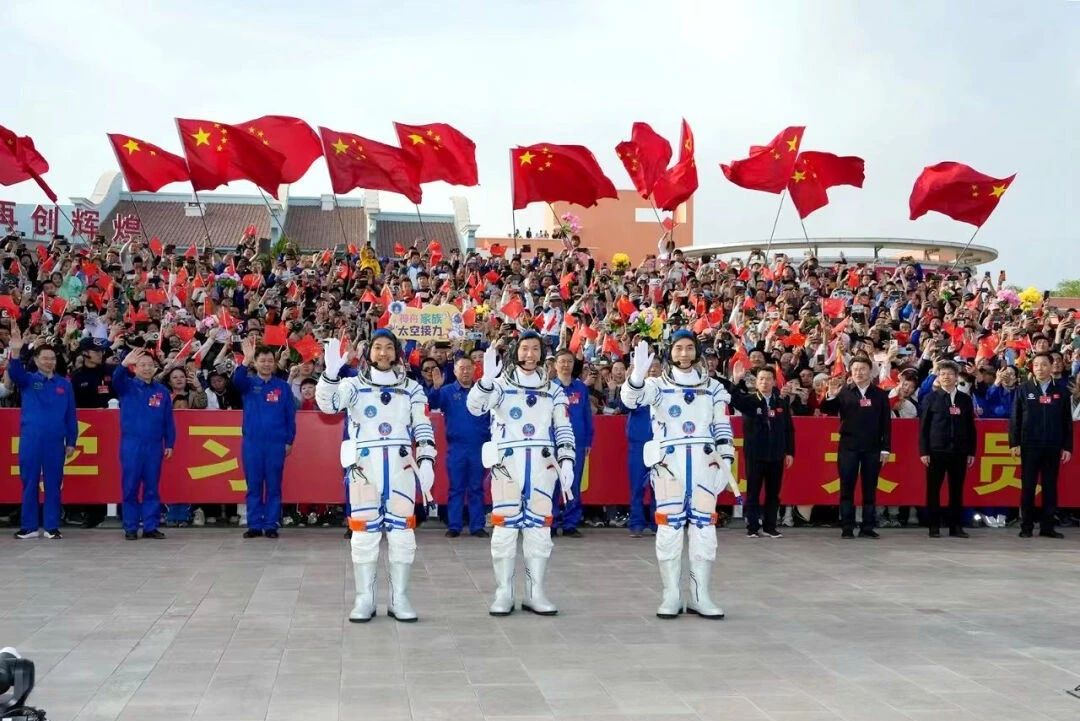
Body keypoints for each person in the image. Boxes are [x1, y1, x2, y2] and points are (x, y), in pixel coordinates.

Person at [317, 329, 436, 623]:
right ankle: (364, 599)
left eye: (389, 348)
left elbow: (422, 425)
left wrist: (427, 460)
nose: (383, 353)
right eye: (378, 347)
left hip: (401, 467)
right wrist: (330, 375)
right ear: (369, 352)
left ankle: (399, 598)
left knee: (402, 535)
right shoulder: (353, 385)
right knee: (363, 535)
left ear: (397, 353)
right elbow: (328, 405)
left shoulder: (412, 388)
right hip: (365, 468)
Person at [621, 331, 738, 619]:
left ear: (697, 351)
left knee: (704, 531)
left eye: (689, 348)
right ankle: (671, 594)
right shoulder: (657, 385)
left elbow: (722, 425)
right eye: (678, 348)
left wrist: (726, 460)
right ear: (669, 352)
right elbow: (631, 400)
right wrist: (636, 376)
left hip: (704, 464)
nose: (684, 354)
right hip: (669, 466)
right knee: (669, 531)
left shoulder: (713, 387)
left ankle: (700, 595)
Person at [467, 331, 576, 616]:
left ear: (542, 353)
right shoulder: (500, 385)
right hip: (508, 466)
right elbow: (475, 407)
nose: (530, 354)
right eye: (525, 348)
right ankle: (504, 592)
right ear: (516, 351)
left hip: (542, 465)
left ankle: (534, 592)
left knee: (539, 530)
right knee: (504, 530)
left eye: (535, 349)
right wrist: (486, 381)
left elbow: (564, 428)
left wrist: (567, 460)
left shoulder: (553, 390)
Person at [10, 327, 77, 540]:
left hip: (55, 441)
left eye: (52, 358)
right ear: (37, 360)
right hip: (31, 440)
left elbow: (70, 415)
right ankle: (29, 527)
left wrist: (71, 441)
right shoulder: (29, 380)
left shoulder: (64, 385)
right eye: (45, 358)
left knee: (53, 483)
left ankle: (51, 526)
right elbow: (15, 374)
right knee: (29, 482)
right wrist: (15, 352)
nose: (49, 362)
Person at [820, 356, 891, 539]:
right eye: (855, 369)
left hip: (873, 447)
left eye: (863, 369)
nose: (859, 372)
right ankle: (847, 527)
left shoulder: (880, 395)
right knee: (847, 487)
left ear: (870, 371)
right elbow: (827, 409)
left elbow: (886, 424)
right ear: (851, 372)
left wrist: (885, 448)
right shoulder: (844, 391)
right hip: (848, 446)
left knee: (870, 488)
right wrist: (831, 395)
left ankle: (867, 527)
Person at [233, 339, 297, 540]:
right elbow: (236, 382)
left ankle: (270, 525)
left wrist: (289, 441)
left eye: (270, 361)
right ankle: (254, 524)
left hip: (276, 444)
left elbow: (290, 417)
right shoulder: (249, 384)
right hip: (252, 444)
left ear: (275, 363)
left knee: (273, 486)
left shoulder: (282, 387)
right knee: (253, 486)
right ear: (256, 363)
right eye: (262, 361)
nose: (267, 364)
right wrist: (245, 361)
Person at [113, 348, 176, 540]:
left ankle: (150, 526)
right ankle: (130, 527)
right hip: (132, 445)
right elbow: (116, 379)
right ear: (135, 368)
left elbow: (168, 420)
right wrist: (123, 364)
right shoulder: (127, 386)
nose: (147, 368)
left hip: (154, 446)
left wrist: (170, 443)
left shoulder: (162, 392)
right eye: (143, 365)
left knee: (151, 488)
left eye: (150, 365)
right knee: (130, 487)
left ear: (156, 368)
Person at [1009, 353, 1073, 538]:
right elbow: (1015, 418)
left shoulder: (1061, 390)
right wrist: (1014, 442)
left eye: (1044, 364)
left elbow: (1066, 421)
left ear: (1051, 367)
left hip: (1053, 445)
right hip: (1030, 445)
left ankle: (1047, 527)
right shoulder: (1023, 389)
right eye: (1036, 365)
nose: (1039, 368)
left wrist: (1067, 447)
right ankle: (1026, 527)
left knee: (1050, 487)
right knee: (1028, 487)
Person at [428, 355, 490, 538]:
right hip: (456, 447)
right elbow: (433, 404)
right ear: (454, 371)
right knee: (456, 488)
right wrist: (436, 387)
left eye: (468, 368)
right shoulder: (447, 391)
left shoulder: (482, 391)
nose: (465, 371)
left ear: (475, 369)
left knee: (476, 488)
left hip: (479, 447)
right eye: (461, 368)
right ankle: (454, 526)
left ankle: (477, 526)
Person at [730, 366, 794, 539]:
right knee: (753, 491)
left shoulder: (781, 403)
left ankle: (769, 527)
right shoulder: (749, 401)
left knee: (773, 493)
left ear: (774, 382)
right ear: (756, 382)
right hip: (755, 454)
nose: (764, 382)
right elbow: (733, 399)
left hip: (776, 454)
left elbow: (788, 429)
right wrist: (736, 381)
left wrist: (789, 452)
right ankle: (752, 527)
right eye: (761, 379)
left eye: (768, 379)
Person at [918, 361, 976, 538]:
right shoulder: (931, 398)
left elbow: (970, 427)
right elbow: (923, 427)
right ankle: (934, 526)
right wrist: (924, 451)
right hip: (936, 451)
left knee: (956, 490)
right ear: (938, 377)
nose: (946, 377)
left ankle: (955, 526)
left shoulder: (965, 399)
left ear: (956, 377)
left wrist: (971, 451)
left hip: (959, 452)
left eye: (950, 374)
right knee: (933, 490)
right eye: (942, 374)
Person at [551, 349, 594, 538]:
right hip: (553, 444)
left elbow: (587, 416)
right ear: (555, 365)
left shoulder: (581, 388)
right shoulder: (549, 388)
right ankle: (551, 522)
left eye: (569, 361)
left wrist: (588, 440)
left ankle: (570, 523)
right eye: (562, 361)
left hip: (578, 443)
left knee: (574, 484)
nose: (565, 365)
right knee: (552, 483)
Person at [627, 357, 661, 537]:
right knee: (637, 486)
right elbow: (624, 405)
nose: (653, 370)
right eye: (649, 367)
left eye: (656, 366)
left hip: (660, 445)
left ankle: (658, 523)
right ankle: (636, 523)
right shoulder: (635, 390)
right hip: (638, 444)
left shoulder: (666, 390)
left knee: (660, 486)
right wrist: (630, 383)